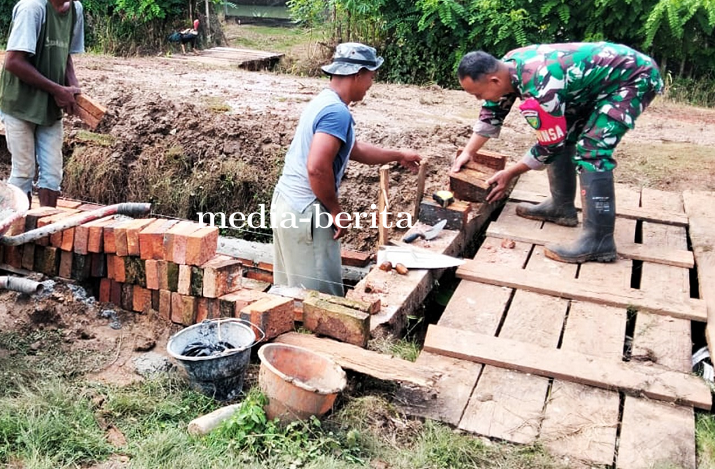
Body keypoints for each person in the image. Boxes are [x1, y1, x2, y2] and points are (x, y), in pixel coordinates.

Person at [451, 42, 664, 264]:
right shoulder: (507, 67)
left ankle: (599, 242)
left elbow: (550, 145)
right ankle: (561, 207)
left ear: (494, 81)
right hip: (592, 83)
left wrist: (510, 173)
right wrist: (469, 152)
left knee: (593, 150)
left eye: (478, 93)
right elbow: (493, 111)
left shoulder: (542, 86)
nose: (478, 99)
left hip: (633, 77)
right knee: (565, 132)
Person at [272, 42, 422, 296]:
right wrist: (335, 210)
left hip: (288, 203)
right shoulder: (336, 113)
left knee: (290, 295)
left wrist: (398, 155)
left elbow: (353, 149)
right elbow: (317, 168)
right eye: (371, 77)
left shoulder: (324, 102)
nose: (370, 84)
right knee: (319, 302)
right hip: (307, 212)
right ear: (357, 74)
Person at [0, 0, 95, 208]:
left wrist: (73, 88)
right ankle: (18, 227)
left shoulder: (75, 9)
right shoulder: (33, 8)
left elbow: (65, 55)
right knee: (24, 171)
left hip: (49, 105)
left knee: (52, 173)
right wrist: (57, 89)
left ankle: (45, 227)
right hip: (20, 103)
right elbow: (14, 62)